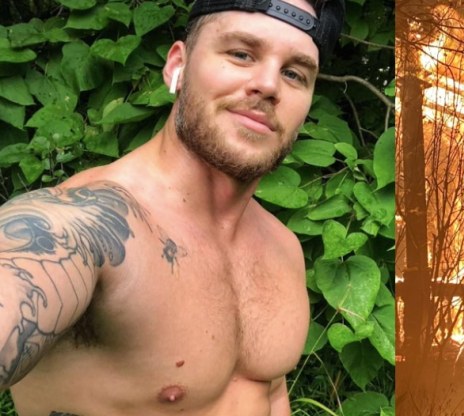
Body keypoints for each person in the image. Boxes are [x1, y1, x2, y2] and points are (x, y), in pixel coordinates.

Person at [0, 0, 344, 413]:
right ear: (176, 66)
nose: (269, 84)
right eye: (241, 54)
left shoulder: (283, 249)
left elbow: (270, 395)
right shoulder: (79, 229)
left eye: (294, 73)